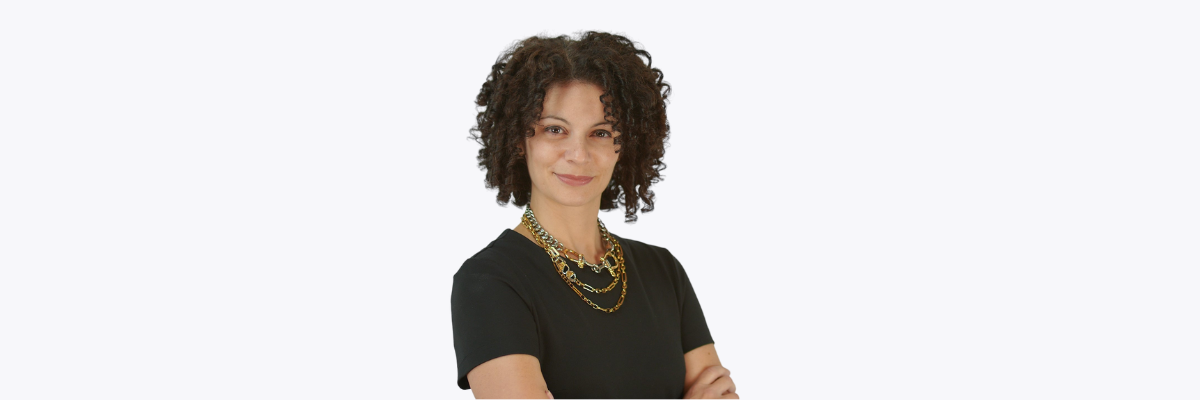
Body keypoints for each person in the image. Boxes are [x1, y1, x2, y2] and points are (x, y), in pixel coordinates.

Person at [452, 31, 737, 399]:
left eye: (601, 133)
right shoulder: (490, 283)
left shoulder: (663, 272)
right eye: (555, 129)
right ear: (519, 142)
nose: (578, 154)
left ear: (625, 146)